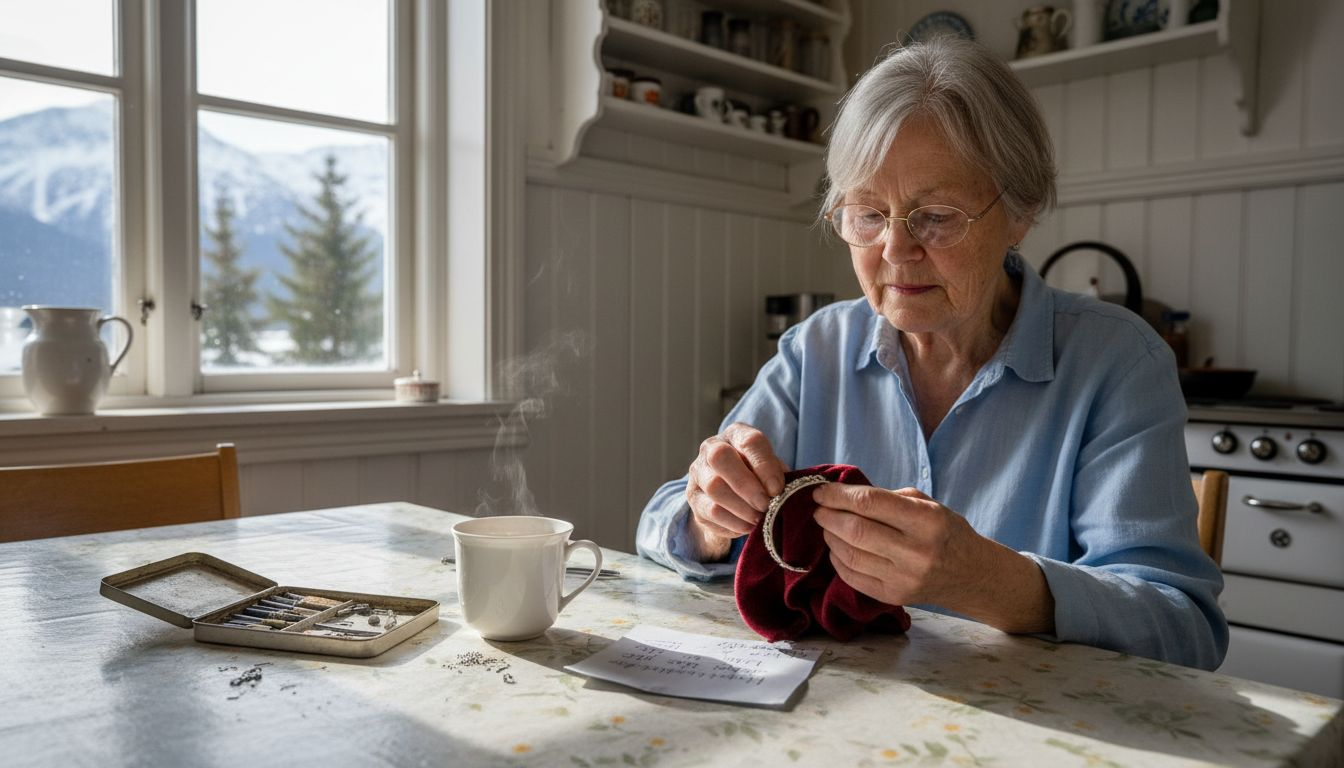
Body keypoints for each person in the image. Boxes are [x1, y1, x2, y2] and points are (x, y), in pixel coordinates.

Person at [635, 37, 1227, 670]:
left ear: (1020, 212)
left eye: (936, 215)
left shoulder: (1117, 363)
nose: (895, 249)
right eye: (868, 213)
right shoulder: (818, 349)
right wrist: (709, 517)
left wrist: (989, 582)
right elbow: (658, 525)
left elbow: (1182, 627)